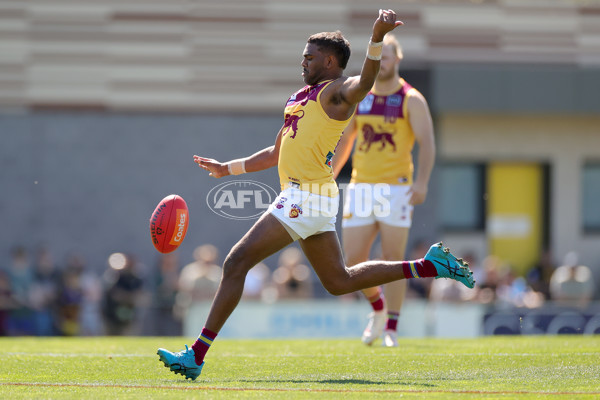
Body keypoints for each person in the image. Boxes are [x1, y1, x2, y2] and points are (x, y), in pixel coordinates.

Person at [157, 9, 474, 381]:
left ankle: (196, 354)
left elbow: (366, 83)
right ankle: (429, 266)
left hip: (305, 196)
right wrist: (228, 168)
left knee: (236, 261)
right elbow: (276, 153)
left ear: (329, 61)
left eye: (309, 57)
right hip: (308, 196)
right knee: (339, 282)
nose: (302, 61)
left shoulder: (337, 92)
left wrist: (375, 38)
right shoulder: (300, 97)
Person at [331, 33, 435, 347]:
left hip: (396, 189)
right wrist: (330, 175)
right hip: (361, 187)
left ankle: (391, 327)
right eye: (380, 56)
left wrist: (422, 182)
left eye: (388, 55)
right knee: (353, 262)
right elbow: (347, 140)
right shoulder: (361, 95)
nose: (383, 61)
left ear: (398, 59)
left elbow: (427, 143)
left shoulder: (411, 98)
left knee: (392, 259)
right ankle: (377, 309)